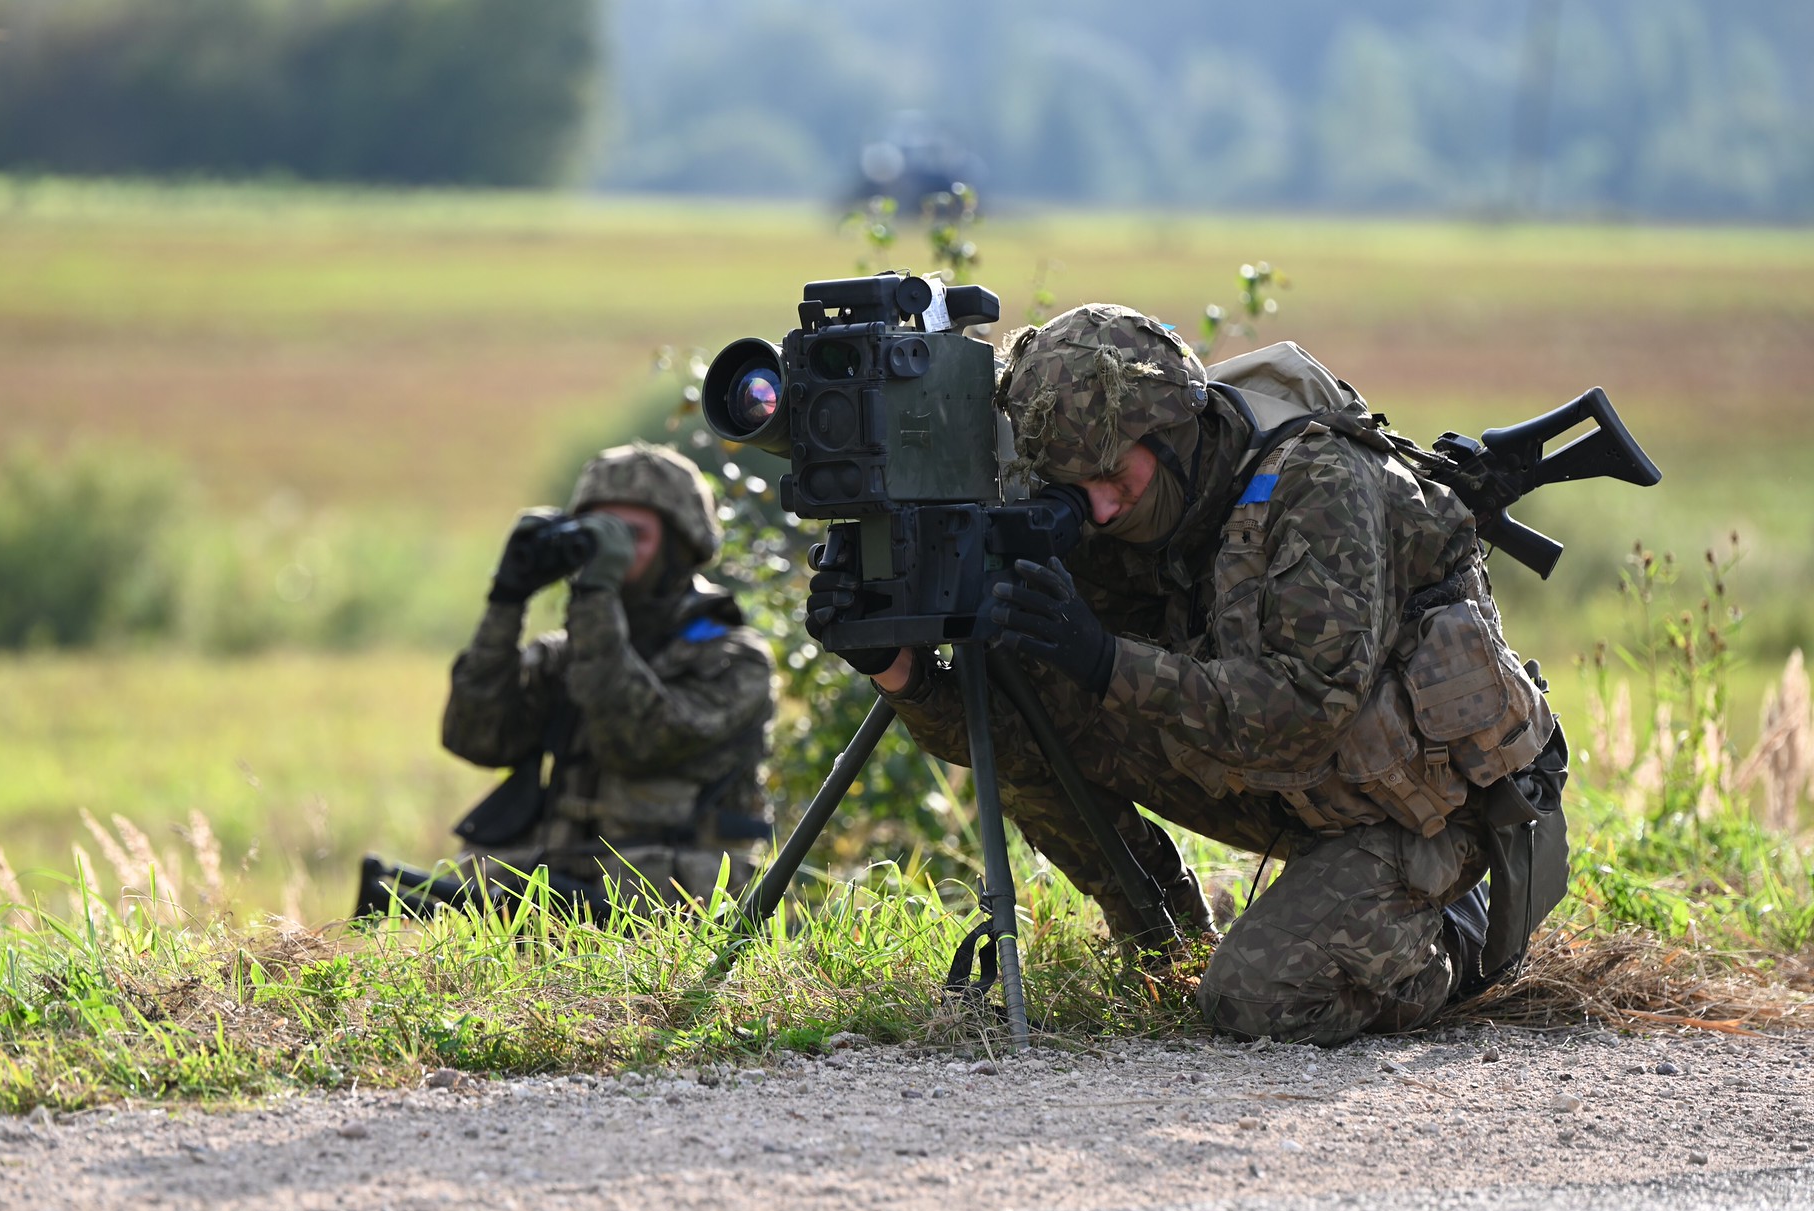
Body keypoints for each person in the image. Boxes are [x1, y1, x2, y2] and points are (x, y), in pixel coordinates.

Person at [810, 304, 1568, 1045]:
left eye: (1113, 476)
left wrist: (1105, 660)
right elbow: (1015, 732)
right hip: (1295, 787)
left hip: (1420, 806)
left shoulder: (1318, 484)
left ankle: (1454, 940)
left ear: (1177, 430)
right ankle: (1162, 941)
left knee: (1256, 997)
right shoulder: (1112, 506)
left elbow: (1304, 716)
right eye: (1074, 489)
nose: (1100, 508)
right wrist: (902, 673)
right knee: (1039, 703)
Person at [358, 441, 777, 919]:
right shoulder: (566, 653)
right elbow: (476, 738)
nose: (612, 552)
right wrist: (507, 600)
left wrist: (595, 593)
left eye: (631, 537)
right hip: (549, 898)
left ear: (680, 548)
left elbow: (637, 743)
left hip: (673, 913)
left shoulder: (733, 659)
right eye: (596, 533)